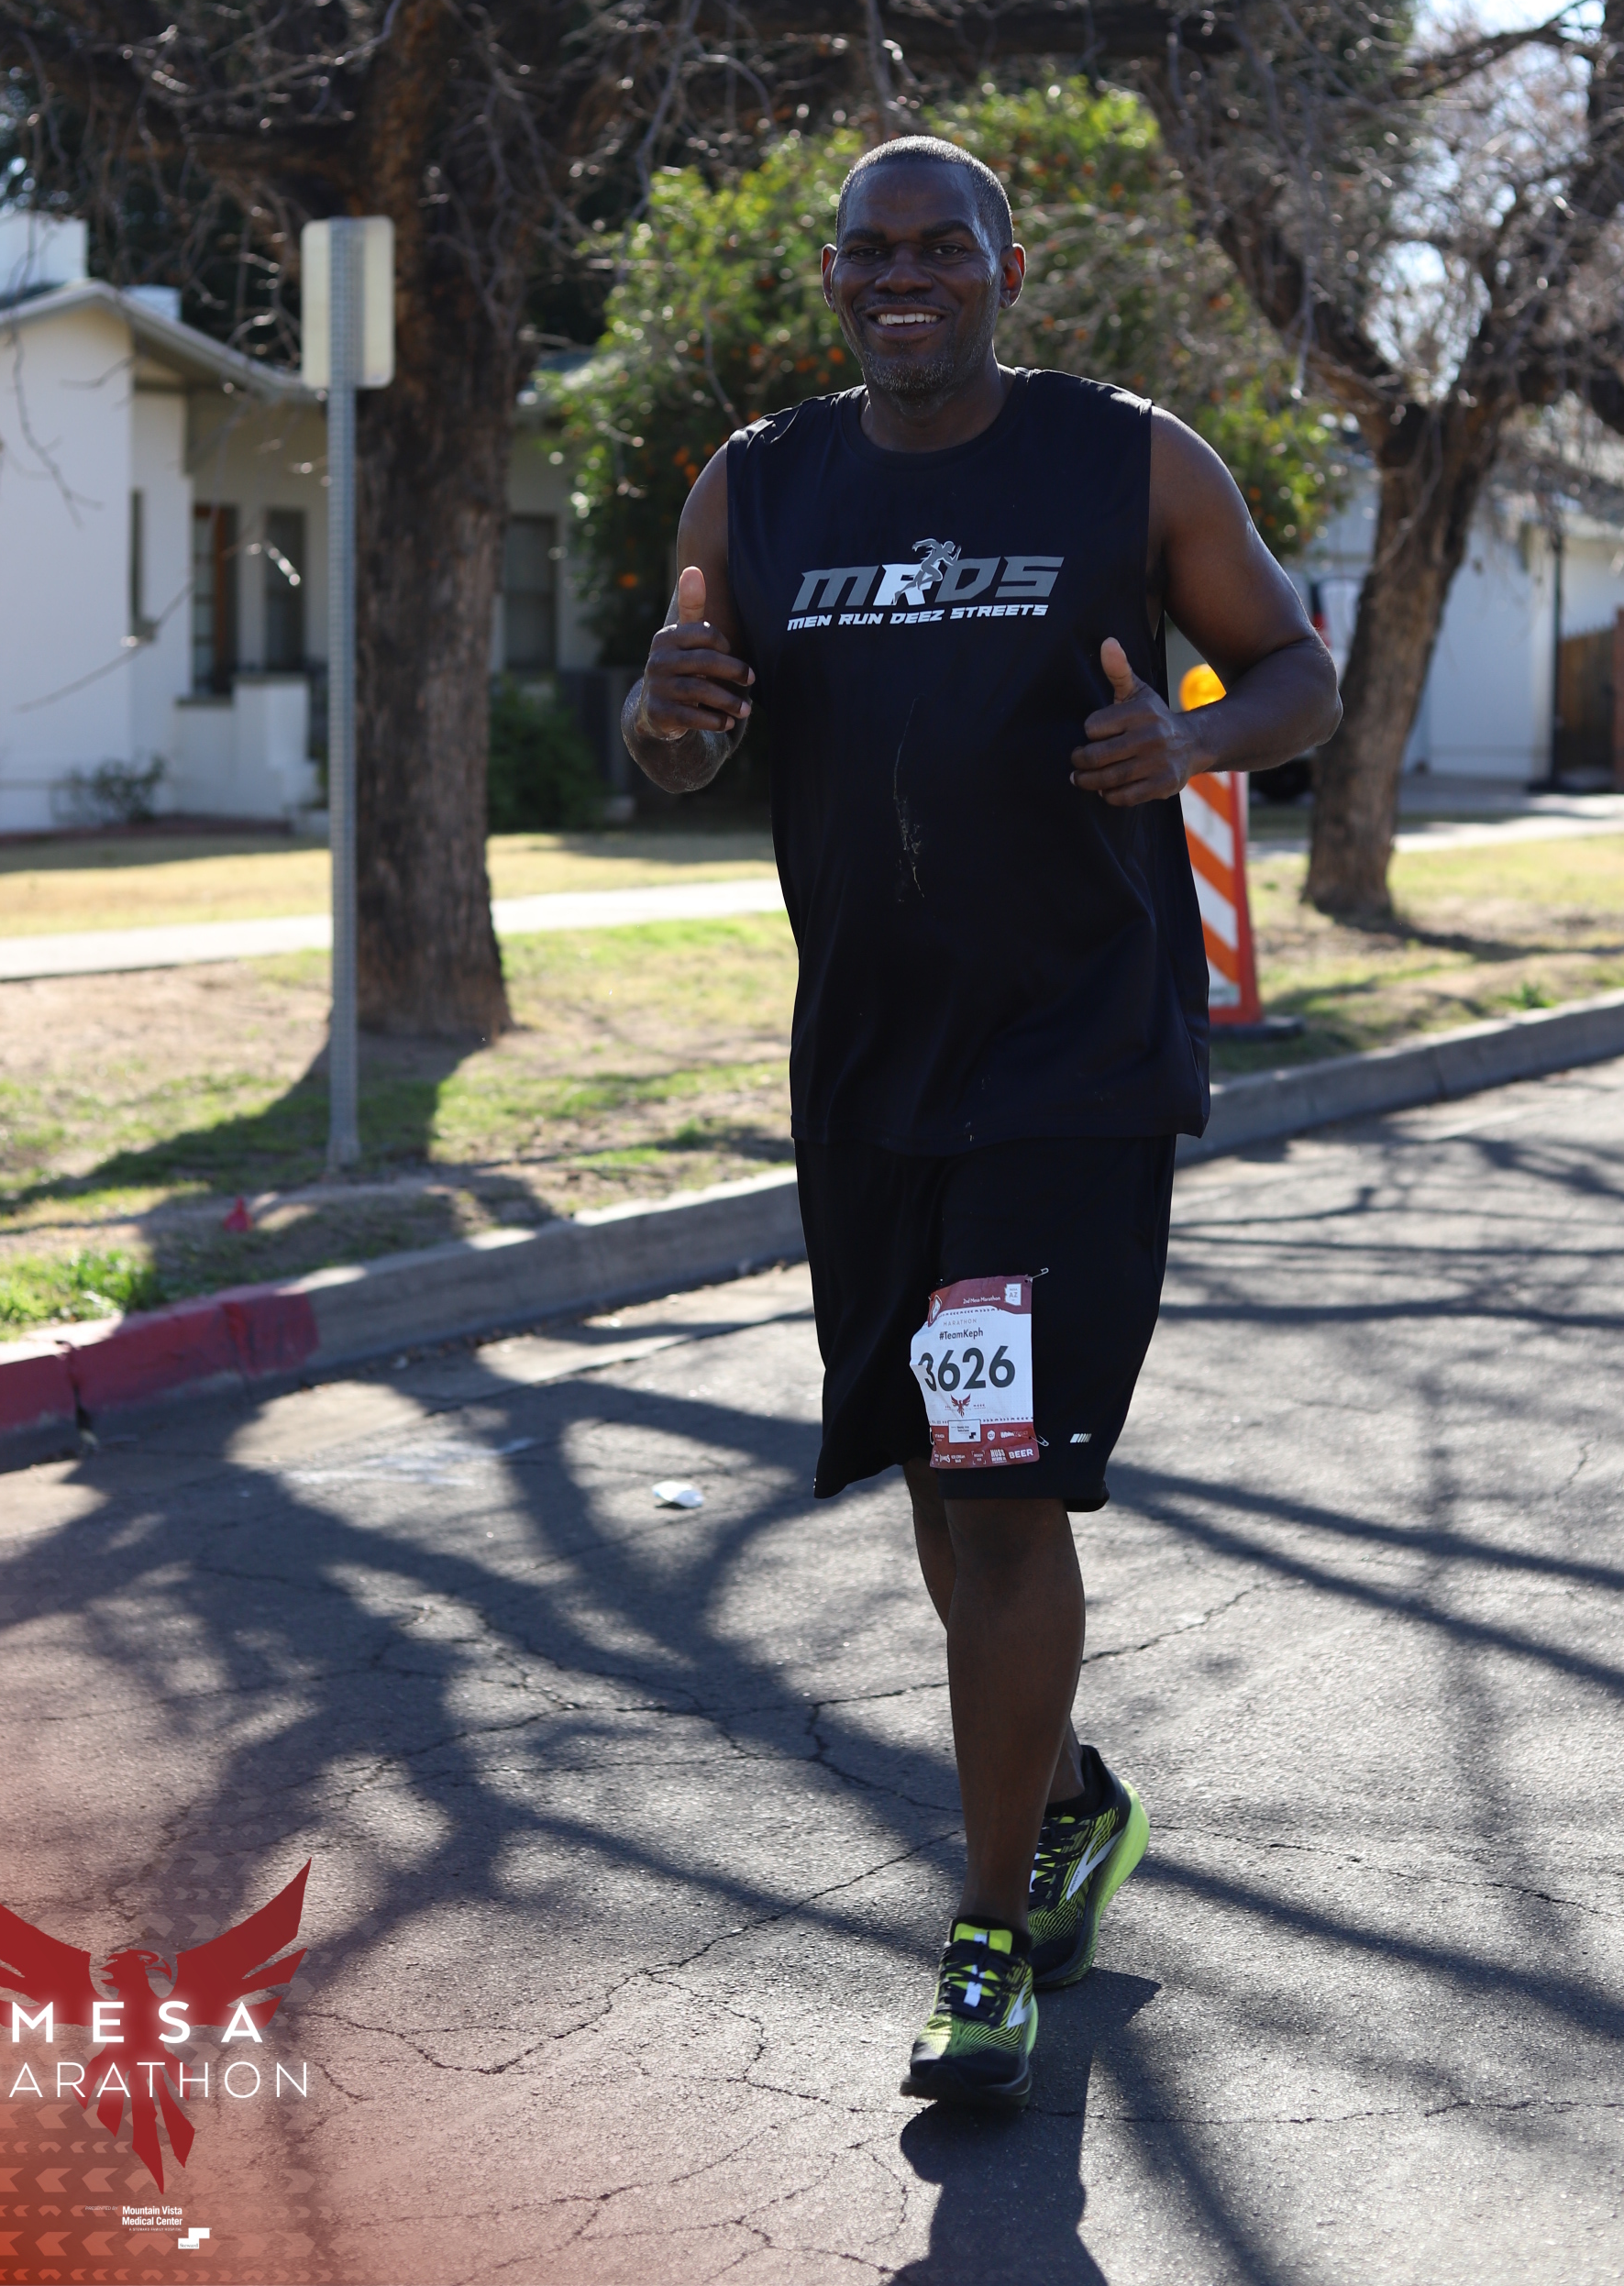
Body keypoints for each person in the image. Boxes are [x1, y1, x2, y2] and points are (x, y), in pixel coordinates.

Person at [621, 134, 1341, 2111]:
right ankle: (1070, 1799)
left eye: (943, 247)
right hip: (870, 1076)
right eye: (871, 251)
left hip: (1066, 1067)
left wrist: (1189, 738)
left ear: (1006, 273)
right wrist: (665, 719)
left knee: (1000, 1477)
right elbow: (674, 737)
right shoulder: (756, 486)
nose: (904, 276)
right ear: (833, 280)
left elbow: (1295, 672)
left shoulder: (1127, 462)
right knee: (948, 1476)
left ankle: (990, 1936)